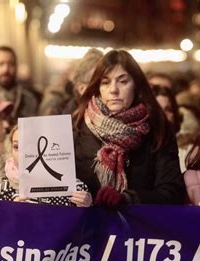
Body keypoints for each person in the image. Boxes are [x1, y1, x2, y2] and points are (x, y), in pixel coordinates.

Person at [73, 50, 185, 207]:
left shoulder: (158, 129)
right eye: (105, 82)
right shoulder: (77, 126)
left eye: (123, 81)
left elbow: (172, 192)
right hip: (88, 228)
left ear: (136, 86)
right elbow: (59, 184)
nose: (113, 90)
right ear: (98, 87)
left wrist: (127, 199)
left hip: (138, 229)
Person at [0, 126, 92, 207]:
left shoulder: (74, 188)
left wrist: (87, 207)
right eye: (17, 147)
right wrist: (12, 211)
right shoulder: (2, 191)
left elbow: (88, 228)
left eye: (31, 145)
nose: (23, 153)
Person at [0, 46, 38, 121]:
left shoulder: (29, 100)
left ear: (16, 66)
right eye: (1, 64)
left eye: (11, 64)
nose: (6, 69)